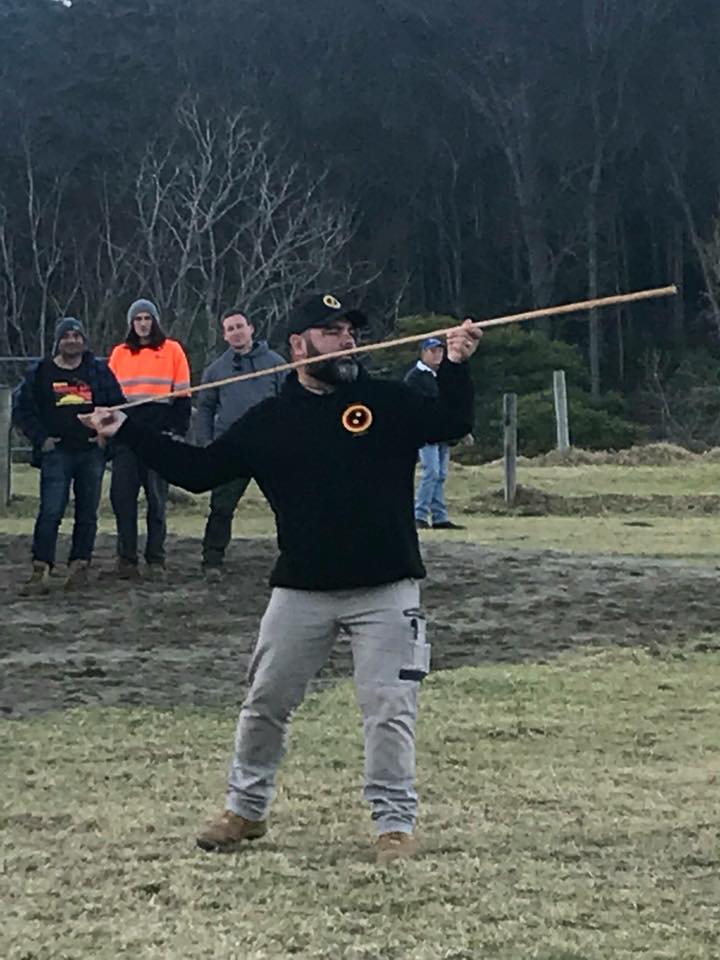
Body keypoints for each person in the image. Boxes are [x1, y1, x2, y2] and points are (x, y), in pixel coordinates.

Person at [82, 292, 481, 865]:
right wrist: (127, 430)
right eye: (332, 331)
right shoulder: (269, 421)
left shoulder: (385, 401)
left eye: (351, 331)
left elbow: (453, 420)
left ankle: (394, 824)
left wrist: (459, 365)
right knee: (265, 702)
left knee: (390, 709)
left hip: (387, 589)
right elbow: (199, 472)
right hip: (299, 593)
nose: (347, 340)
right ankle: (245, 811)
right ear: (299, 346)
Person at [12, 317, 125, 595]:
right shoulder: (41, 372)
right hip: (57, 453)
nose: (72, 340)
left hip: (91, 452)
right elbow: (22, 410)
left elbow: (117, 405)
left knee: (87, 513)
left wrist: (103, 436)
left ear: (84, 341)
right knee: (51, 511)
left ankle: (79, 566)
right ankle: (41, 567)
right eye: (66, 336)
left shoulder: (98, 371)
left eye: (77, 336)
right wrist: (42, 439)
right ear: (58, 342)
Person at [197, 308, 286, 579]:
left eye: (240, 326)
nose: (236, 332)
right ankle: (212, 559)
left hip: (270, 448)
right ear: (225, 336)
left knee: (285, 504)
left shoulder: (276, 363)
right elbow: (205, 408)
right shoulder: (216, 370)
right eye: (230, 329)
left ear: (251, 328)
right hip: (231, 448)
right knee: (221, 507)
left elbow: (290, 403)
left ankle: (294, 554)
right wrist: (207, 442)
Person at [107, 299, 191, 578]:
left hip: (158, 436)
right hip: (127, 436)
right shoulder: (119, 353)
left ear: (155, 321)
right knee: (123, 499)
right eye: (138, 319)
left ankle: (156, 558)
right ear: (131, 323)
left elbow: (182, 396)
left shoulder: (172, 350)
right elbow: (111, 398)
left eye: (147, 318)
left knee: (156, 501)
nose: (143, 324)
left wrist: (175, 431)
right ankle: (126, 558)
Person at [404, 337, 466, 530]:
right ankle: (419, 514)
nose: (438, 355)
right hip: (425, 433)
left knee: (440, 474)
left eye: (440, 351)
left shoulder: (441, 376)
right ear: (423, 353)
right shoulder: (415, 377)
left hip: (442, 435)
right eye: (433, 351)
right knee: (431, 472)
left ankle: (439, 517)